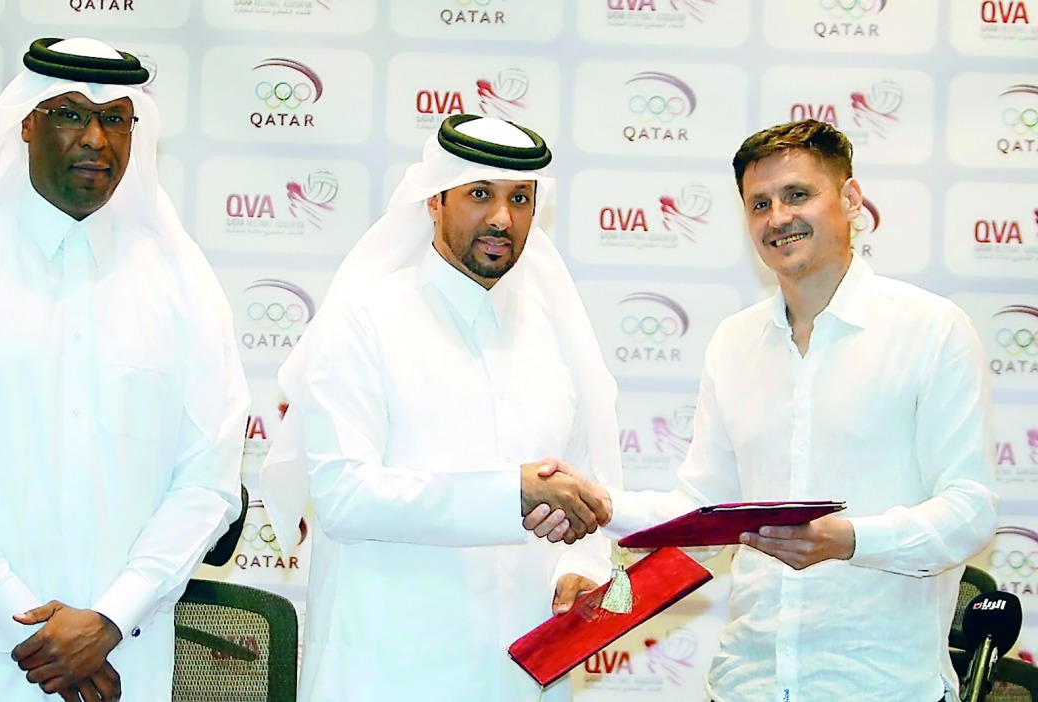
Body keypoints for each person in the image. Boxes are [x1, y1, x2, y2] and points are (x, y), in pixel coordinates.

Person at [527, 119, 996, 702]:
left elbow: (970, 511)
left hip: (882, 686)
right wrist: (601, 504)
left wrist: (849, 540)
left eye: (798, 195)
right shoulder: (734, 342)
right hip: (745, 683)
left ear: (850, 200)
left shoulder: (931, 330)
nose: (778, 217)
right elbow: (702, 515)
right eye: (760, 203)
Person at [0, 37, 249, 702]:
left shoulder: (184, 287)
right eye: (70, 114)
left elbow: (208, 482)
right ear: (25, 124)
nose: (96, 139)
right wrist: (21, 626)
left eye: (115, 119)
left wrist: (110, 620)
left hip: (120, 659)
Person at [258, 114, 619, 701]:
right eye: (481, 194)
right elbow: (345, 496)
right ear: (434, 201)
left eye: (519, 198)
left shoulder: (554, 337)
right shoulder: (364, 320)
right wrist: (511, 492)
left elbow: (582, 494)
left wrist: (578, 569)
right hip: (388, 672)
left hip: (521, 674)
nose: (502, 217)